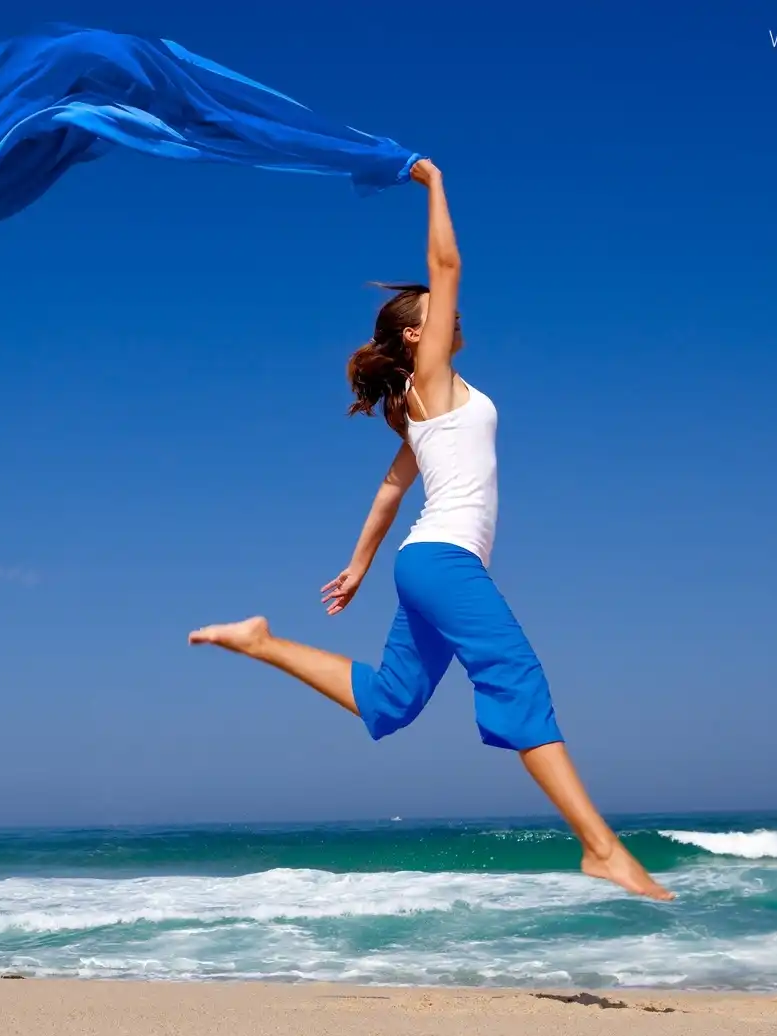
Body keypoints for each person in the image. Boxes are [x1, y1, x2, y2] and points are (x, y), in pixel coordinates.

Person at [188, 158, 672, 901]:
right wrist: (434, 182)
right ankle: (601, 848)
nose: (449, 318)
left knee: (389, 704)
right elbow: (445, 261)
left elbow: (391, 487)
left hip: (425, 562)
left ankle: (260, 640)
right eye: (434, 316)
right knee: (515, 676)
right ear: (417, 338)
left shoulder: (422, 405)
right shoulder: (433, 378)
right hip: (444, 562)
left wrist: (356, 565)